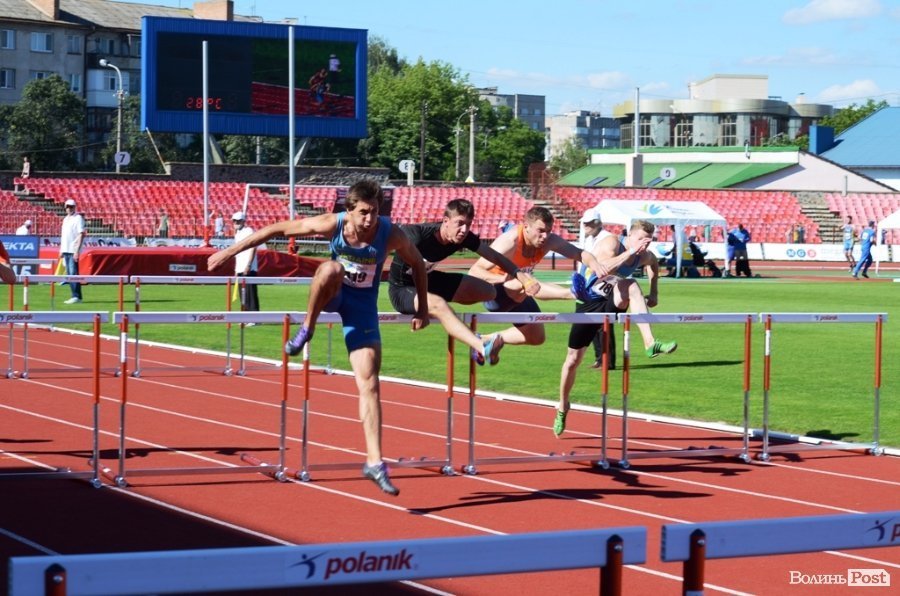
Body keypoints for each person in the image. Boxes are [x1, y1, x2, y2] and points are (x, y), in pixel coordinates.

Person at [208, 180, 429, 496]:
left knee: (370, 382)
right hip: (333, 294)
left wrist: (422, 309)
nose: (369, 219)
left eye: (374, 212)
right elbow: (276, 229)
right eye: (363, 213)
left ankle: (375, 462)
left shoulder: (390, 233)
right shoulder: (331, 224)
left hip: (362, 308)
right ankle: (307, 329)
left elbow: (417, 263)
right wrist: (228, 252)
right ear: (348, 211)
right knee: (330, 270)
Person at [555, 220, 678, 436]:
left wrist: (654, 291)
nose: (644, 244)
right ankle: (563, 405)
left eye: (648, 241)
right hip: (588, 303)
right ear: (629, 235)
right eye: (640, 239)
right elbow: (602, 270)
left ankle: (650, 343)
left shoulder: (643, 254)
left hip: (611, 299)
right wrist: (629, 252)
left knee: (631, 285)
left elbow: (653, 263)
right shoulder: (612, 243)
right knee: (573, 360)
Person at [388, 198, 540, 366]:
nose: (464, 230)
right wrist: (423, 310)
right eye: (459, 223)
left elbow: (495, 256)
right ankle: (481, 346)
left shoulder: (463, 237)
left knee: (488, 291)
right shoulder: (416, 235)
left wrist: (521, 276)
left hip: (430, 280)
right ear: (446, 221)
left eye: (468, 224)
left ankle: (449, 317)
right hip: (402, 288)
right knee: (438, 304)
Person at [467, 206, 608, 350]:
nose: (545, 236)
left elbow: (578, 253)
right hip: (495, 294)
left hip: (521, 291)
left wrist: (595, 264)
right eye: (540, 231)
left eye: (548, 231)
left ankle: (484, 340)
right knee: (525, 278)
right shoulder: (510, 242)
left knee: (536, 337)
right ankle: (572, 293)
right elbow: (474, 271)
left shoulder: (549, 240)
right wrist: (503, 279)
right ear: (526, 227)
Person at [579, 209, 616, 370]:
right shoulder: (588, 239)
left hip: (602, 285)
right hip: (588, 285)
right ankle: (599, 358)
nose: (585, 225)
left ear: (597, 223)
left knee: (603, 324)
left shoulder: (607, 239)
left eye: (589, 223)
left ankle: (608, 361)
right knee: (591, 323)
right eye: (585, 223)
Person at [231, 212, 262, 315]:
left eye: (238, 221)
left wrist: (248, 265)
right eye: (234, 221)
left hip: (249, 268)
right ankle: (245, 316)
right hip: (240, 268)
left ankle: (254, 317)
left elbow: (253, 247)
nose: (236, 223)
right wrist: (236, 269)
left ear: (243, 221)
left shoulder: (249, 231)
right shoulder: (237, 235)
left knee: (250, 294)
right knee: (243, 295)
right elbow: (238, 254)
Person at [59, 198, 86, 304]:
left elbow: (81, 234)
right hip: (66, 249)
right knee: (70, 273)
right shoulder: (65, 219)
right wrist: (61, 249)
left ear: (74, 207)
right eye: (67, 207)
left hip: (72, 250)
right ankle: (76, 296)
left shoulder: (78, 218)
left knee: (73, 273)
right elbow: (64, 236)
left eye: (71, 207)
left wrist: (77, 251)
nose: (69, 209)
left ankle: (76, 296)